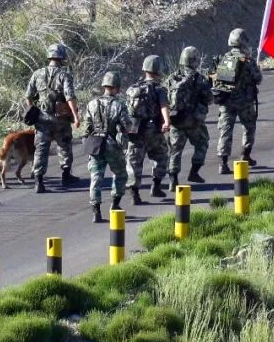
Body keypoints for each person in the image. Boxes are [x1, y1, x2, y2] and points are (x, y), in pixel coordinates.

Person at [24, 43, 80, 193]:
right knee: (65, 146)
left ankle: (39, 182)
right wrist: (75, 117)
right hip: (60, 119)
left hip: (42, 119)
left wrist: (31, 111)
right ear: (62, 58)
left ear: (49, 56)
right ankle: (66, 176)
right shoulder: (64, 75)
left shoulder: (37, 74)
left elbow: (28, 96)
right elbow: (70, 97)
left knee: (41, 149)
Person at [82, 71, 134, 223]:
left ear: (104, 86)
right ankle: (115, 205)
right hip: (112, 144)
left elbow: (87, 128)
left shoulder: (92, 104)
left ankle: (96, 211)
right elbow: (127, 126)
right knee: (120, 174)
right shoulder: (119, 105)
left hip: (95, 143)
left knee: (96, 177)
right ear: (117, 87)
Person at [213, 28, 263, 175]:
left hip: (226, 101)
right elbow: (258, 79)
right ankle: (245, 155)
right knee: (249, 127)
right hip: (244, 102)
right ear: (243, 42)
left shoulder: (225, 58)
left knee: (225, 131)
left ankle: (223, 163)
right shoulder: (247, 60)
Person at [124, 55, 171, 204]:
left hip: (135, 130)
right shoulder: (159, 89)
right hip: (153, 131)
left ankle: (134, 194)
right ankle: (156, 186)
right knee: (161, 156)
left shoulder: (133, 88)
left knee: (133, 162)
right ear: (158, 70)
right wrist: (167, 122)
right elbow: (164, 106)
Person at [166, 46, 213, 188]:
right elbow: (209, 99)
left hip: (176, 121)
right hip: (194, 122)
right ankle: (194, 172)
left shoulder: (173, 78)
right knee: (202, 143)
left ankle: (173, 180)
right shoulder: (199, 79)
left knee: (175, 151)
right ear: (196, 61)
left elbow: (166, 97)